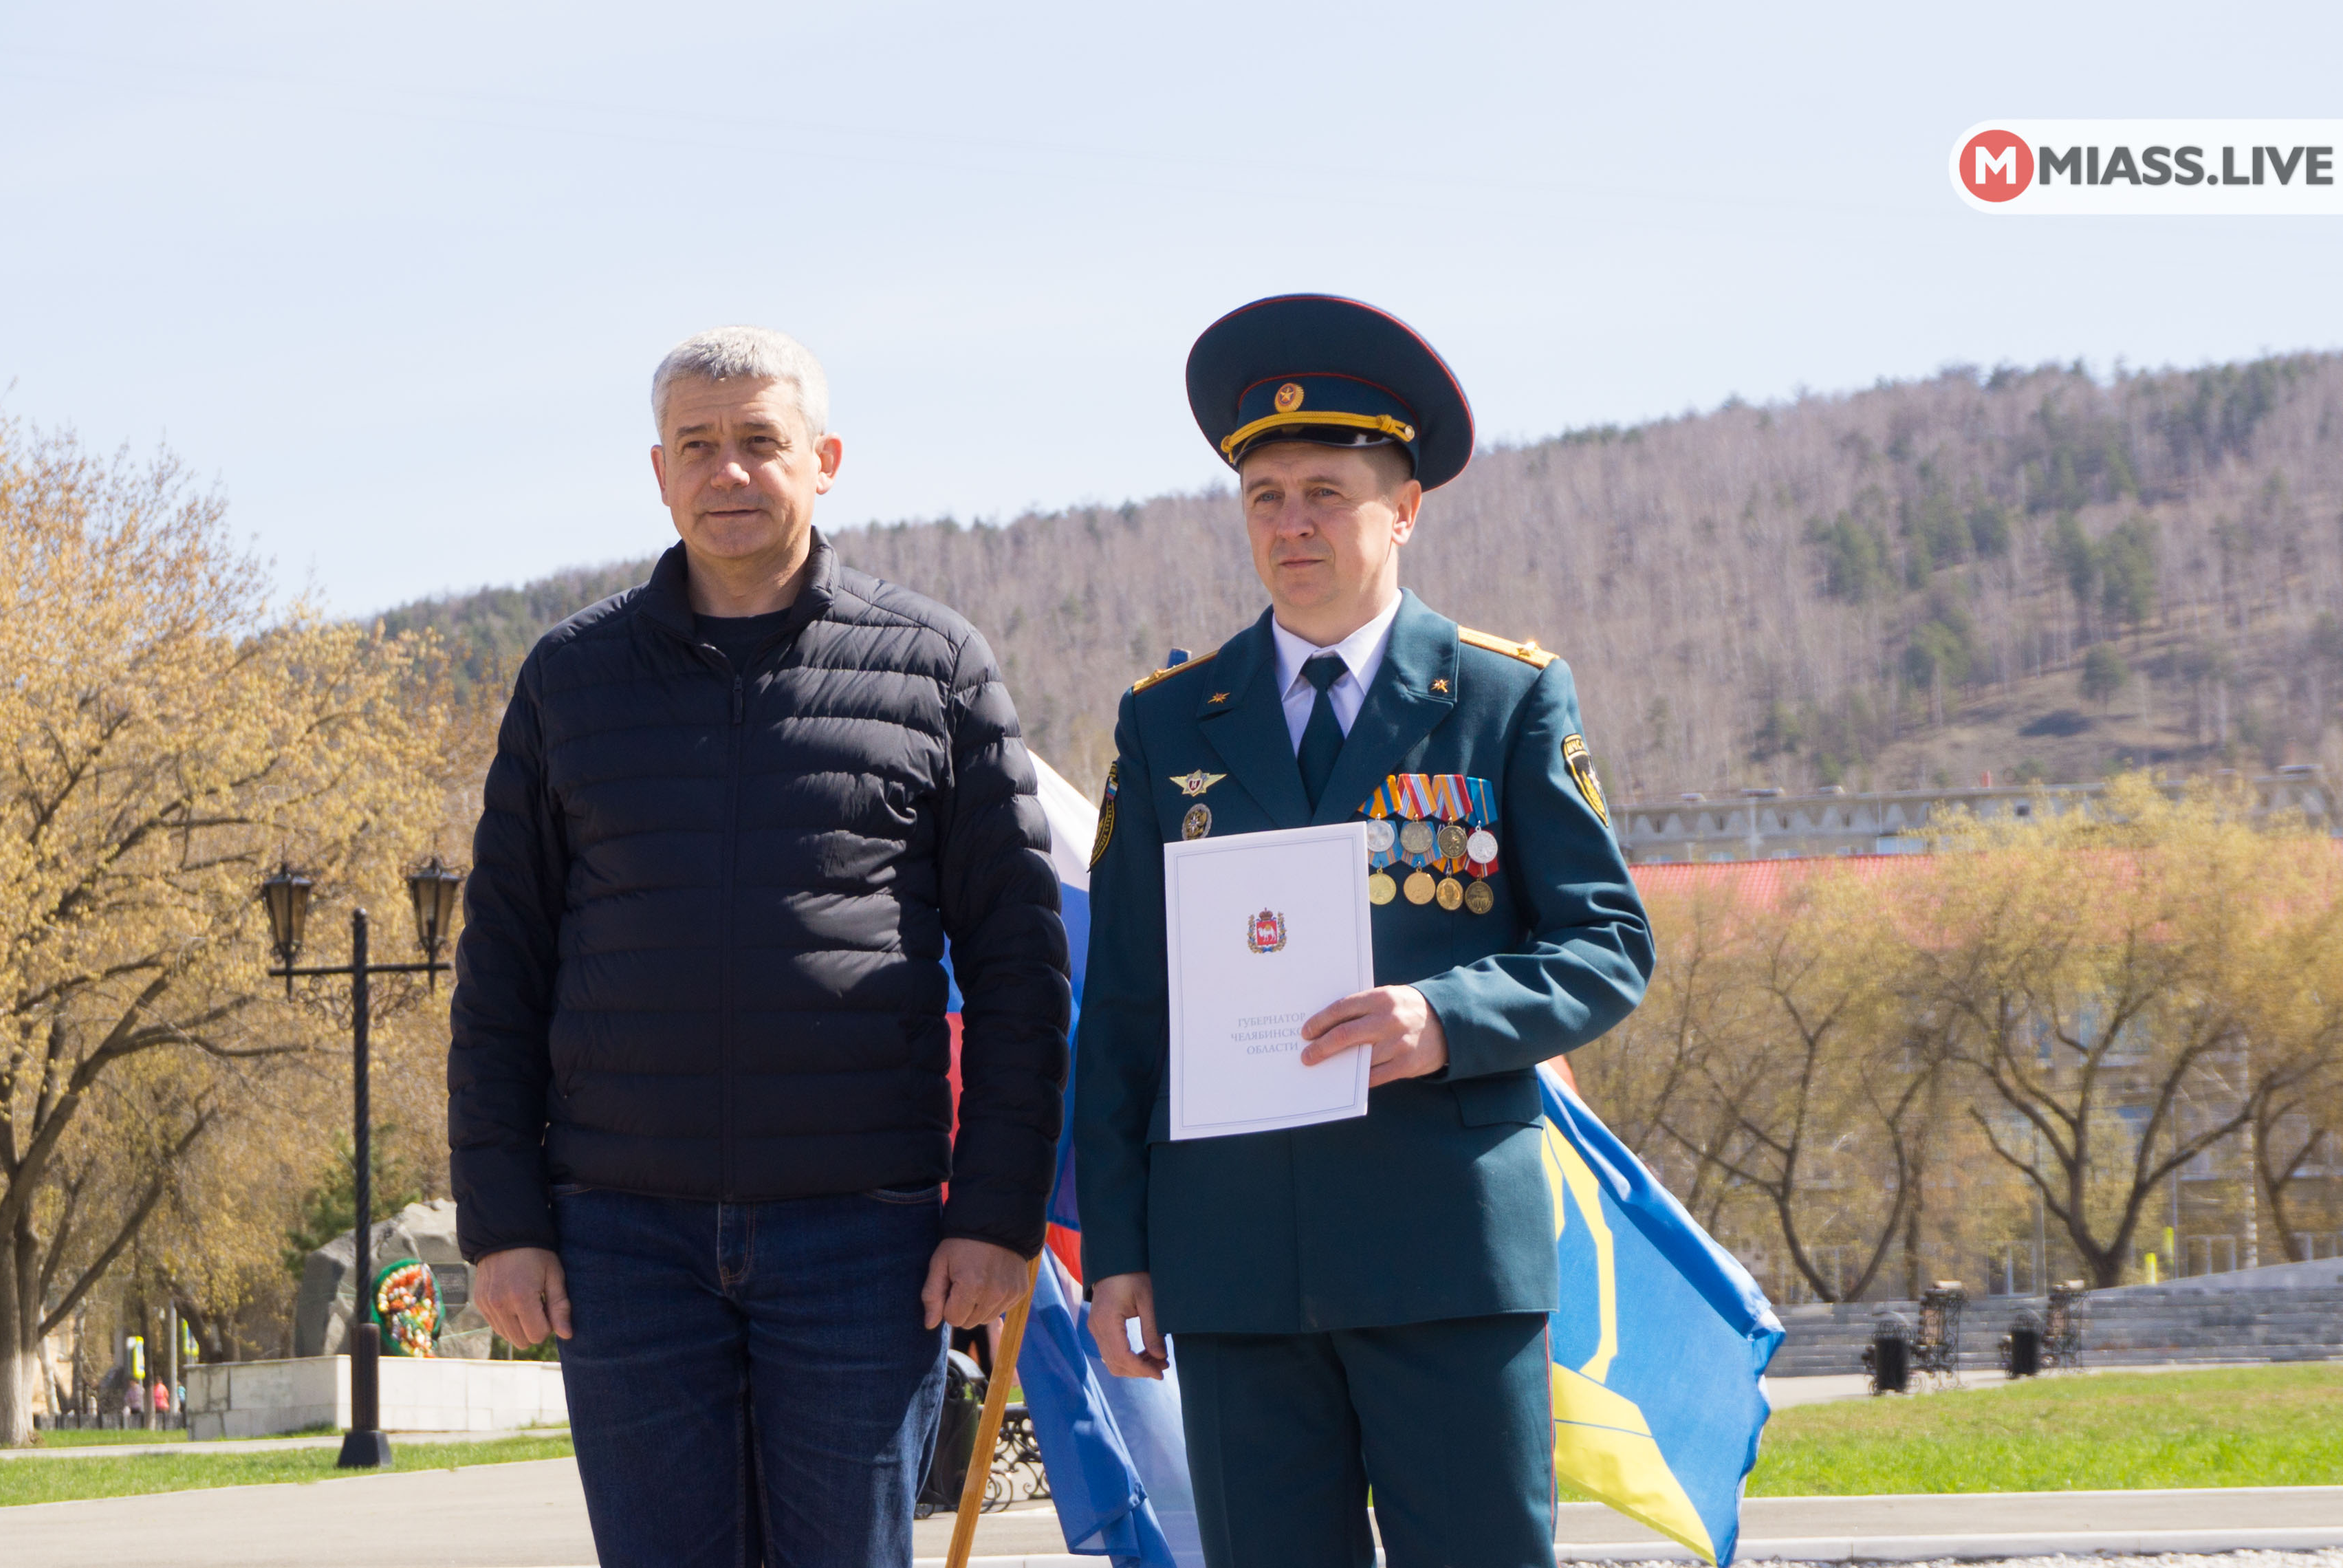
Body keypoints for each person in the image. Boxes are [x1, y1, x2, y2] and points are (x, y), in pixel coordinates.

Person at [451, 325, 1074, 1566]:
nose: (727, 473)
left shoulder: (935, 665)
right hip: (620, 1239)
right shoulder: (569, 680)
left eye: (758, 443)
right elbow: (501, 967)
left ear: (824, 459)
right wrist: (501, 1218)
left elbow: (1020, 966)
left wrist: (995, 1212)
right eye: (699, 447)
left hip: (867, 1236)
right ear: (659, 471)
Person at [1073, 294, 1654, 1568]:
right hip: (1231, 1265)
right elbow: (1121, 1006)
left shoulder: (1500, 697)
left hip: (1442, 1252)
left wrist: (1445, 1017)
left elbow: (1608, 944)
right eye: (1265, 494)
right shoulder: (1171, 722)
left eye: (1326, 490)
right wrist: (1118, 1251)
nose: (1291, 524)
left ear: (1404, 508)